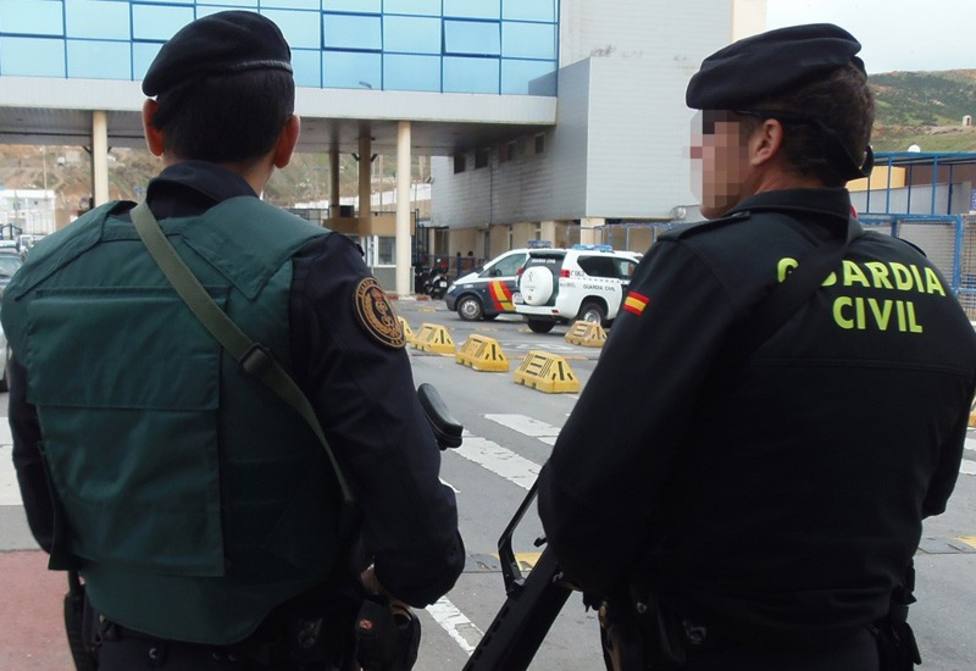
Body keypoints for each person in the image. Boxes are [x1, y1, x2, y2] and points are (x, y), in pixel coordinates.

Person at [2, 11, 463, 670]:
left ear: (153, 126)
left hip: (117, 644)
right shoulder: (316, 272)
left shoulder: (42, 278)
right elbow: (418, 534)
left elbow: (46, 510)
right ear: (287, 138)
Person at [537, 24, 976, 671]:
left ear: (765, 139)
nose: (698, 151)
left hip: (710, 645)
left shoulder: (700, 265)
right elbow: (932, 490)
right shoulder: (924, 283)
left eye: (711, 131)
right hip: (865, 648)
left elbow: (579, 501)